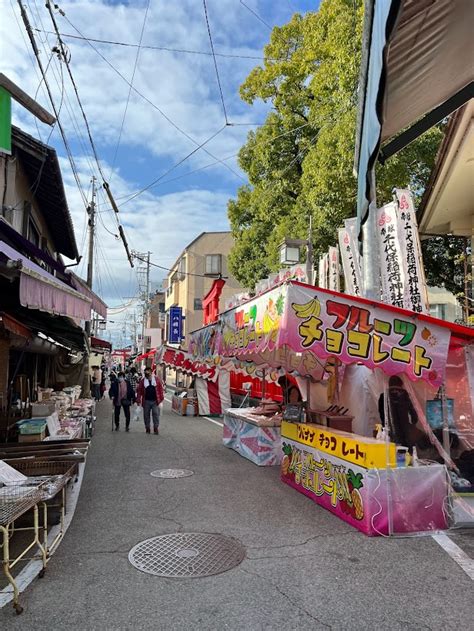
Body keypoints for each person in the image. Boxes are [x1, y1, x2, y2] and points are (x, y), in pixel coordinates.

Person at [378, 375, 419, 448]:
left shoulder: (383, 396)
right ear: (401, 384)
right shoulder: (405, 395)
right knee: (405, 449)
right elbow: (412, 411)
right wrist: (413, 422)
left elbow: (381, 413)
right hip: (404, 428)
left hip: (389, 428)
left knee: (391, 449)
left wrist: (384, 424)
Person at [137, 368, 164, 434]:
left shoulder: (157, 380)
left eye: (148, 374)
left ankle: (156, 428)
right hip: (146, 401)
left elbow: (160, 389)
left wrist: (161, 399)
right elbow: (139, 391)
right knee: (146, 415)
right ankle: (147, 428)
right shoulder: (142, 381)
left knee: (156, 414)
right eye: (146, 374)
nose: (147, 375)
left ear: (151, 373)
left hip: (155, 401)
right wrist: (138, 400)